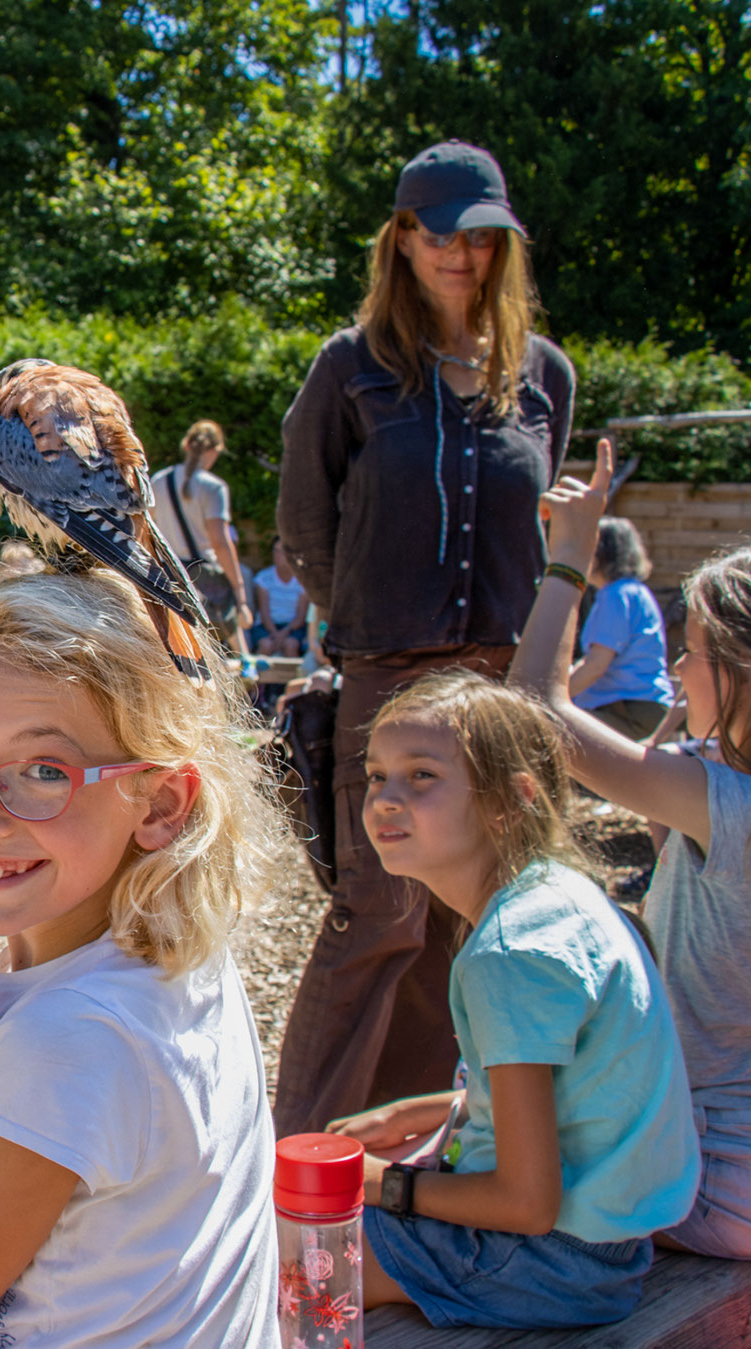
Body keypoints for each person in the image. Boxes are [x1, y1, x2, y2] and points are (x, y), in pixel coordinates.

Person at [0, 571, 289, 1347]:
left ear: (162, 803)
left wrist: (12, 1066)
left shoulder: (69, 1037)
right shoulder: (173, 954)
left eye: (43, 772)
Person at [512, 438, 751, 1260]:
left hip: (720, 1178)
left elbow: (532, 708)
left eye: (692, 651)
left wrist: (570, 558)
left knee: (496, 1178)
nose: (678, 668)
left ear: (749, 677)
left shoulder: (742, 811)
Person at [273, 139, 576, 1137]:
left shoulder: (541, 376)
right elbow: (303, 523)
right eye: (436, 232)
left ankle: (422, 1136)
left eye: (479, 236)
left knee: (472, 913)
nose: (458, 253)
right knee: (378, 911)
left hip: (496, 691)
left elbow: (532, 522)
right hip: (386, 683)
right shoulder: (350, 370)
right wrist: (367, 629)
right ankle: (306, 1152)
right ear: (400, 240)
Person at [334, 672, 698, 1328]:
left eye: (421, 776)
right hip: (609, 1248)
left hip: (546, 1262)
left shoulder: (508, 954)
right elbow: (575, 1088)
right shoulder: (556, 897)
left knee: (284, 1246)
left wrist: (378, 1181)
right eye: (377, 774)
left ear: (510, 800)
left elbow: (527, 1201)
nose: (386, 798)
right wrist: (418, 1112)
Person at [149, 419, 251, 657]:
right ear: (215, 451)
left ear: (186, 445)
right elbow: (220, 541)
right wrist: (240, 592)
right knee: (224, 646)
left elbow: (150, 532)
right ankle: (247, 667)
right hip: (204, 578)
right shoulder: (213, 487)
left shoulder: (158, 481)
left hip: (170, 575)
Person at [569, 517, 672, 740]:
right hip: (641, 705)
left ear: (605, 554)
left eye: (589, 546)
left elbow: (595, 665)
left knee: (552, 733)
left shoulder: (616, 596)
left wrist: (550, 694)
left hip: (628, 709)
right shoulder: (633, 591)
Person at [252, 538, 309, 656]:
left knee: (291, 645)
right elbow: (264, 613)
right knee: (266, 645)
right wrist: (275, 633)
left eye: (282, 551)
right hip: (266, 627)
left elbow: (301, 617)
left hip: (292, 628)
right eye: (276, 551)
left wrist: (284, 633)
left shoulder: (303, 580)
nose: (278, 555)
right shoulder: (263, 577)